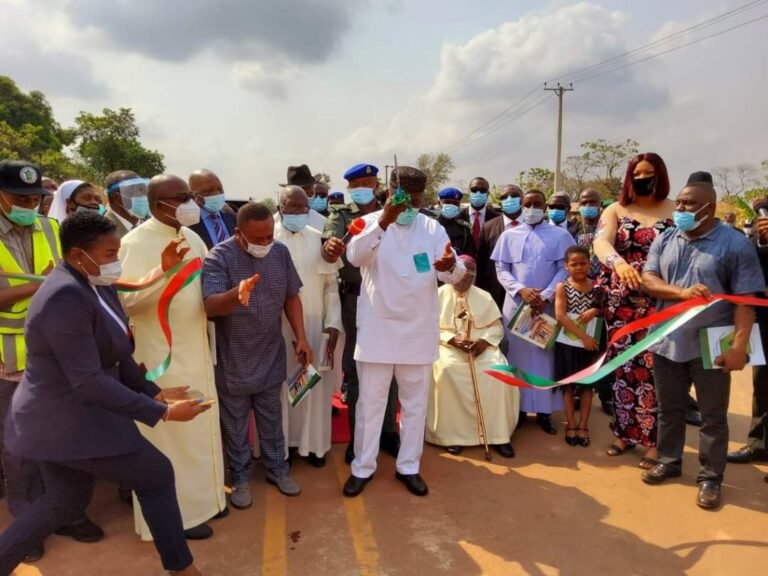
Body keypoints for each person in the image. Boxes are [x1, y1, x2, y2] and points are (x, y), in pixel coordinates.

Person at [0, 210, 208, 576]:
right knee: (155, 474)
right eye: (110, 254)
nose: (116, 262)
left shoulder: (95, 284)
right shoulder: (63, 299)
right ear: (79, 255)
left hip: (70, 419)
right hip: (65, 421)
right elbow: (88, 380)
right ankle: (182, 569)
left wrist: (153, 392)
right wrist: (161, 412)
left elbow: (118, 353)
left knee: (62, 501)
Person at [0, 160, 105, 563]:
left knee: (66, 432)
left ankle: (68, 512)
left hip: (59, 351)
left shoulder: (49, 227)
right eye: (20, 198)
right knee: (19, 444)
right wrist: (41, 283)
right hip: (9, 357)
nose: (30, 205)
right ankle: (28, 521)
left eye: (36, 199)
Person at [639, 180, 764, 509]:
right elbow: (648, 280)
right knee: (669, 409)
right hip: (667, 341)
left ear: (710, 207)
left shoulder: (735, 244)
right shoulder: (666, 238)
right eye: (679, 203)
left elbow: (746, 301)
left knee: (712, 416)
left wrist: (738, 348)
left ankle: (710, 477)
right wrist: (681, 293)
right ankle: (668, 460)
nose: (680, 209)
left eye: (688, 204)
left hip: (711, 346)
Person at [342, 166, 465, 498]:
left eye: (415, 200)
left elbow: (455, 275)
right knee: (370, 404)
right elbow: (355, 258)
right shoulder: (370, 223)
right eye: (402, 199)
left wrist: (451, 267)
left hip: (417, 332)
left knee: (414, 405)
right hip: (377, 331)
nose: (409, 206)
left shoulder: (433, 228)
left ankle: (408, 466)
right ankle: (362, 467)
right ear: (389, 193)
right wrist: (384, 220)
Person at [119, 175, 226, 541]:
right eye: (181, 198)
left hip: (196, 347)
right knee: (170, 439)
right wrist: (162, 273)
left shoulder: (192, 237)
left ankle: (206, 501)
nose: (189, 203)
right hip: (160, 357)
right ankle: (174, 517)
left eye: (189, 196)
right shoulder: (134, 243)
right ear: (157, 205)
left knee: (198, 431)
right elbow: (126, 302)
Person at [202, 202, 312, 504]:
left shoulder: (280, 253)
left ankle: (278, 469)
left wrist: (301, 338)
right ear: (239, 233)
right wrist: (236, 294)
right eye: (257, 238)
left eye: (268, 237)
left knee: (272, 419)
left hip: (270, 352)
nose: (264, 243)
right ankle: (239, 477)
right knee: (235, 425)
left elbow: (292, 297)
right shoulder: (219, 258)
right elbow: (210, 306)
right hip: (233, 358)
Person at [593, 152, 674, 468]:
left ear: (660, 175)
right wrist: (619, 264)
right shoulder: (615, 209)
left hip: (661, 300)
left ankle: (655, 441)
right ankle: (624, 432)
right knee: (624, 368)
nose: (643, 178)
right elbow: (601, 243)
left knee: (656, 371)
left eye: (649, 172)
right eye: (637, 173)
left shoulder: (675, 210)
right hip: (623, 303)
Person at [322, 163, 401, 465]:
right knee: (357, 369)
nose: (363, 188)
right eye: (357, 184)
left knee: (392, 363)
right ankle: (359, 438)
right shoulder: (342, 216)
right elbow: (330, 245)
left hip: (390, 298)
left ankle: (389, 432)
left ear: (376, 184)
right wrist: (331, 246)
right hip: (356, 299)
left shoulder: (392, 211)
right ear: (350, 188)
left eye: (368, 182)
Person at [492, 189, 574, 433]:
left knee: (544, 360)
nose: (532, 208)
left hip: (546, 308)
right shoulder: (508, 235)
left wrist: (545, 294)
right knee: (516, 358)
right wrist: (521, 290)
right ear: (522, 206)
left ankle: (543, 412)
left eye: (537, 204)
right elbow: (501, 268)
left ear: (545, 207)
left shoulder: (561, 235)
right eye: (527, 204)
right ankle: (516, 410)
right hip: (517, 306)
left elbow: (565, 268)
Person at [274, 186, 342, 467]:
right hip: (278, 326)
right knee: (282, 388)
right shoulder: (268, 238)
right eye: (290, 208)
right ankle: (284, 447)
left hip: (316, 324)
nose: (296, 213)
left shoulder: (319, 238)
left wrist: (333, 323)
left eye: (302, 209)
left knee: (314, 385)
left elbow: (331, 287)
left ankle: (314, 446)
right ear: (279, 208)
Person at [427, 256, 518, 456]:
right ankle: (453, 436)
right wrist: (451, 339)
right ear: (452, 273)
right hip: (447, 347)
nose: (466, 280)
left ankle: (498, 435)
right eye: (463, 275)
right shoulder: (437, 295)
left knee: (498, 372)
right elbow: (428, 327)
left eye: (471, 276)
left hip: (482, 348)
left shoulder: (484, 296)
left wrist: (484, 341)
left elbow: (496, 327)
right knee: (447, 370)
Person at [727, 196, 768, 468]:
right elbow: (753, 269)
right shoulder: (760, 227)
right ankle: (760, 445)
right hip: (765, 316)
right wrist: (762, 242)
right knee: (763, 382)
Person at [568, 188, 613, 415]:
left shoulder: (609, 229)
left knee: (603, 347)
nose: (588, 206)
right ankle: (578, 391)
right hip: (578, 294)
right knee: (578, 345)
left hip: (604, 295)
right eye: (584, 202)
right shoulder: (573, 230)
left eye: (592, 202)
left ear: (600, 204)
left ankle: (606, 396)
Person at [554, 246, 605, 447]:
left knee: (587, 386)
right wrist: (583, 337)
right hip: (569, 345)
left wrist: (595, 311)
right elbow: (560, 315)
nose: (579, 267)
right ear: (566, 266)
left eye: (583, 263)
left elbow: (605, 308)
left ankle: (584, 426)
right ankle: (571, 425)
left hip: (591, 345)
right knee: (568, 386)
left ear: (589, 264)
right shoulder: (562, 287)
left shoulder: (598, 286)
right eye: (573, 264)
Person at [477, 184, 523, 310]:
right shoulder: (488, 227)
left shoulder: (533, 225)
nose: (509, 199)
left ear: (522, 199)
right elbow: (481, 264)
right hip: (496, 291)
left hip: (526, 289)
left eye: (514, 196)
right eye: (504, 197)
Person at [188, 169, 236, 249]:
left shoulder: (233, 218)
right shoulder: (187, 224)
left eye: (220, 189)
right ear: (193, 194)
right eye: (208, 191)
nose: (216, 194)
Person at [278, 164, 327, 229]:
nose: (306, 199)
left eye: (310, 194)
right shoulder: (272, 225)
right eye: (302, 195)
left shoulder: (321, 222)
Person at [104, 171, 151, 237]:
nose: (143, 196)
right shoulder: (101, 232)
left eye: (143, 190)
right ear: (116, 197)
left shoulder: (151, 228)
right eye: (134, 190)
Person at [461, 176, 500, 248]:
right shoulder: (458, 217)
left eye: (482, 190)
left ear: (487, 194)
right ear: (469, 193)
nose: (478, 193)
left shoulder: (497, 218)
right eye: (474, 190)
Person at [436, 187, 475, 257]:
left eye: (455, 203)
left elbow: (470, 253)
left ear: (459, 205)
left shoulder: (464, 228)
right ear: (439, 203)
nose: (451, 205)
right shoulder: (431, 226)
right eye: (447, 202)